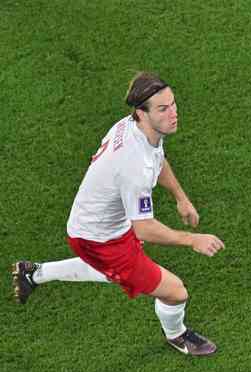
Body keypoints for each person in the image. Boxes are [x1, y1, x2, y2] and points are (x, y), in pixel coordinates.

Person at [12, 72, 224, 356]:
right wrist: (192, 240)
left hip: (103, 223)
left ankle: (34, 273)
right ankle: (177, 335)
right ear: (141, 113)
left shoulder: (137, 129)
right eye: (163, 109)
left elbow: (157, 159)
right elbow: (145, 228)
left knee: (113, 274)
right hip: (99, 238)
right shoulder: (133, 164)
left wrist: (181, 198)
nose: (174, 113)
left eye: (173, 104)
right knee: (175, 292)